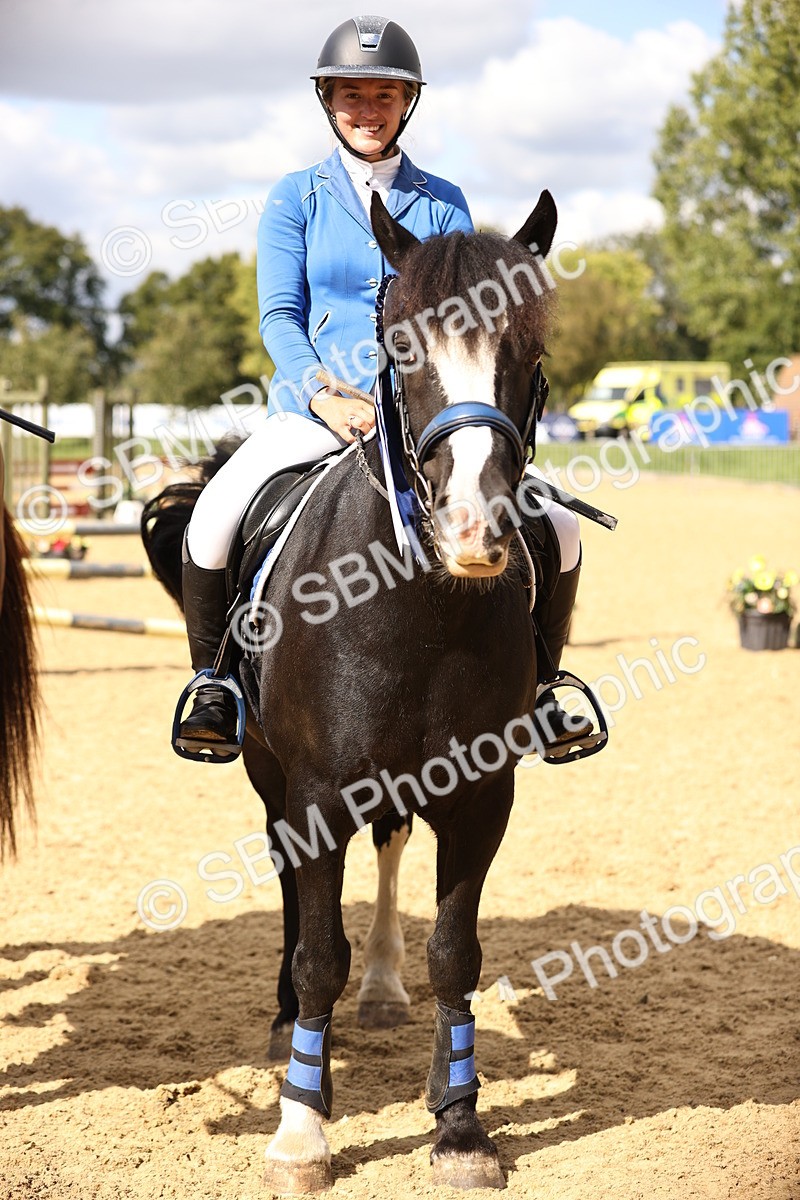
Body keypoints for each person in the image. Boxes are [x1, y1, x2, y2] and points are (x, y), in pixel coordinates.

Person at [175, 14, 595, 761]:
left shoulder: (444, 202)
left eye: (384, 95)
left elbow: (473, 320)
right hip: (317, 413)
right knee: (213, 515)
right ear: (328, 102)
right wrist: (323, 394)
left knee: (558, 529)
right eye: (352, 95)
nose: (368, 110)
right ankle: (217, 685)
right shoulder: (294, 197)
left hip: (423, 416)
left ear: (407, 104)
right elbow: (280, 316)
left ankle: (543, 692)